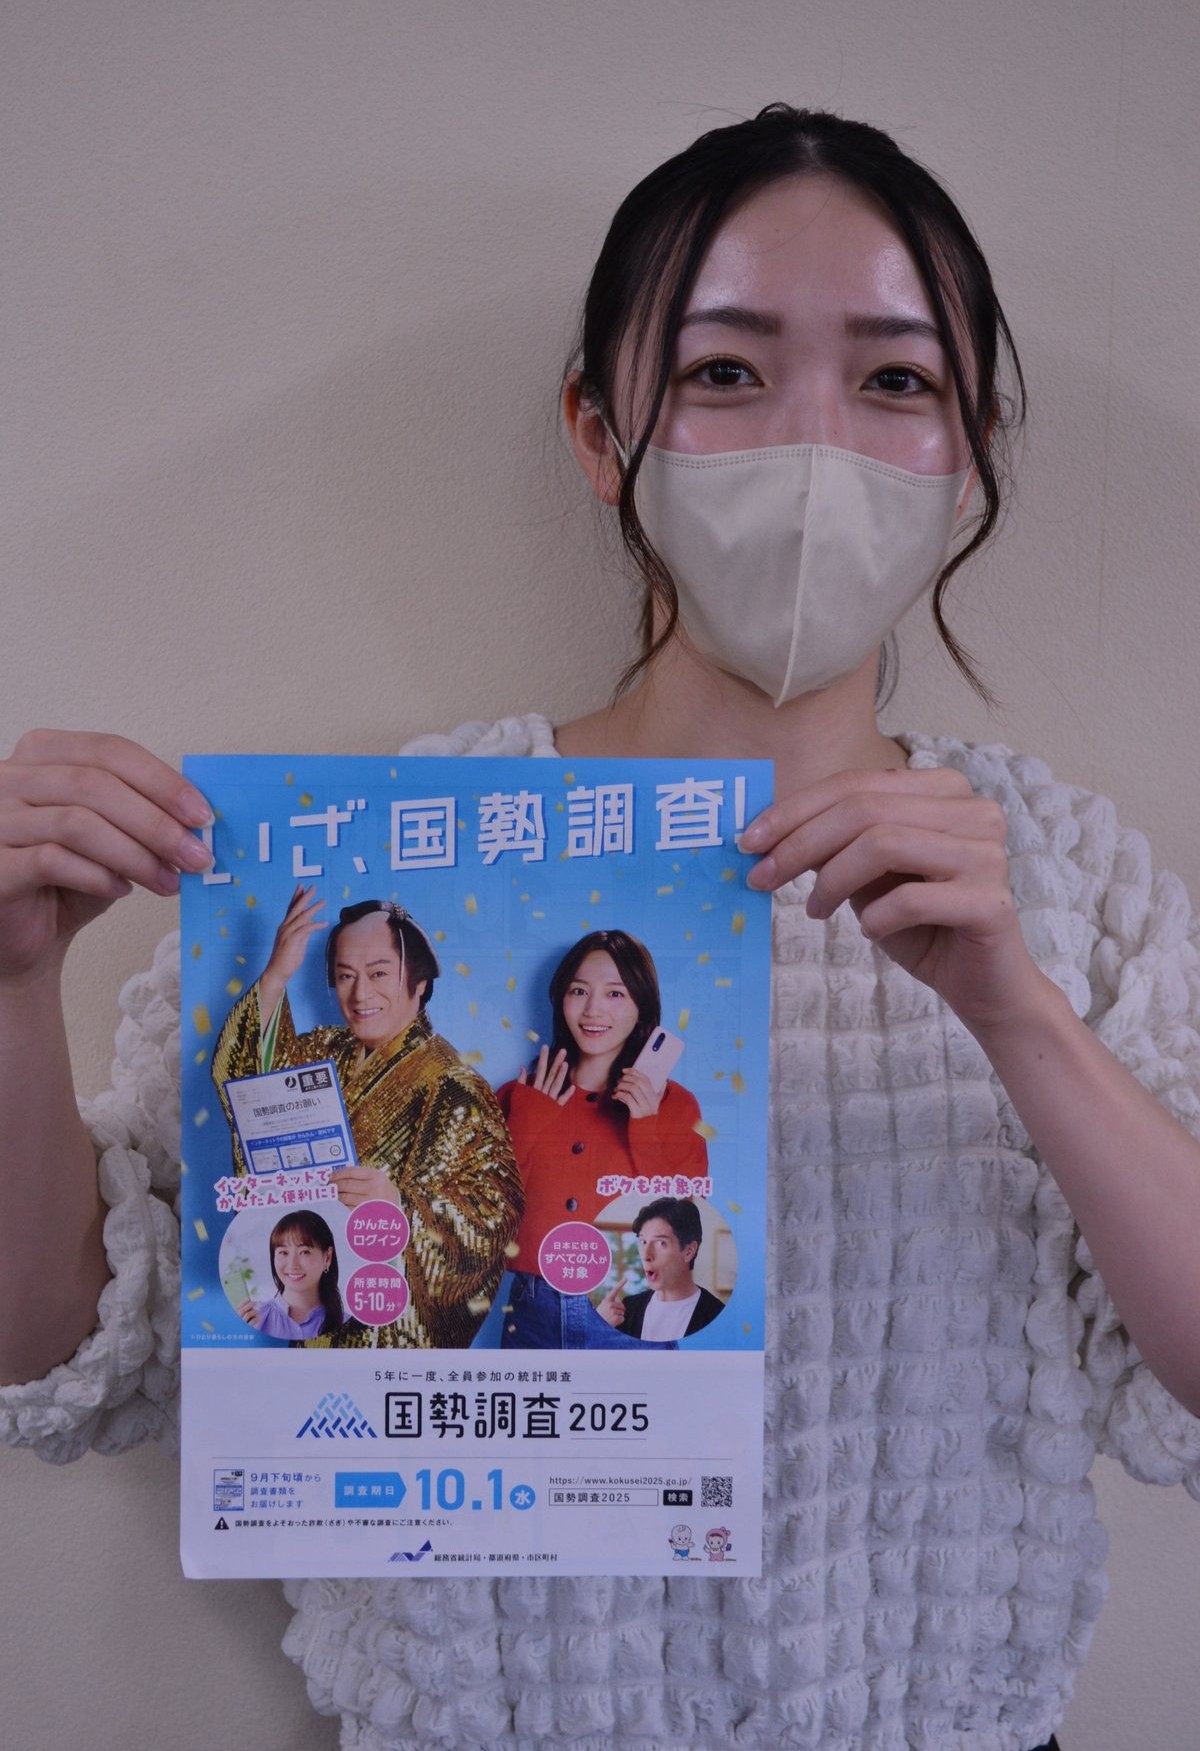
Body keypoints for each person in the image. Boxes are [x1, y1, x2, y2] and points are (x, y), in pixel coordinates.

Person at [5, 103, 1200, 1750]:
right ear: (597, 425)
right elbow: (68, 1353)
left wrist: (1015, 1007)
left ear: (973, 443)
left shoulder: (1060, 877)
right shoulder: (381, 855)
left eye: (896, 382)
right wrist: (11, 979)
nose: (814, 446)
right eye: (726, 371)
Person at [213, 891, 522, 1350]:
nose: (360, 994)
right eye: (345, 976)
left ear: (419, 981)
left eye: (378, 974)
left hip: (389, 1336)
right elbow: (248, 1088)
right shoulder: (326, 1051)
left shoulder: (452, 1084)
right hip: (316, 1311)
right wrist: (277, 974)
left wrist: (400, 1206)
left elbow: (495, 1214)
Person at [497, 928, 708, 1349]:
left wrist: (645, 1124)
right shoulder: (517, 1097)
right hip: (533, 1311)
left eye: (615, 994)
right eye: (579, 991)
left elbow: (685, 1216)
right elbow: (486, 1213)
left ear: (641, 1005)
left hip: (632, 1310)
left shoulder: (676, 1105)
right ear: (560, 999)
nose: (593, 1010)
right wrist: (527, 1122)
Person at [595, 1198, 725, 1342]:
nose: (646, 1255)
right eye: (643, 1241)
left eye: (661, 1243)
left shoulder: (718, 1315)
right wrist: (599, 1325)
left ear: (689, 1251)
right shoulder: (627, 1309)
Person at [236, 1208, 345, 1342]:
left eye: (304, 1252)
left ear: (327, 1257)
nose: (293, 1264)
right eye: (283, 1252)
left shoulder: (350, 1325)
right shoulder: (253, 1320)